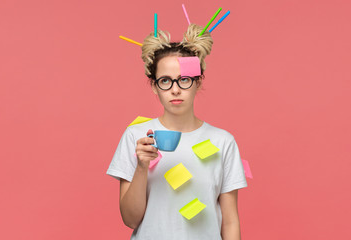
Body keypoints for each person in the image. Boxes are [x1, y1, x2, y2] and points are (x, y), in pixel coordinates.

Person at [106, 24, 247, 240]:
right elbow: (130, 220)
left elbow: (230, 220)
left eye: (184, 79)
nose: (175, 89)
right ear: (154, 86)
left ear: (198, 82)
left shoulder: (223, 141)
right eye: (165, 81)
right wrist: (142, 167)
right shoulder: (137, 136)